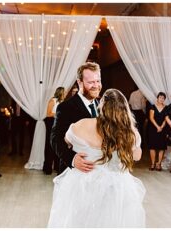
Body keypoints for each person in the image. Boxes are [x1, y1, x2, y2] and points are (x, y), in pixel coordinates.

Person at [47, 89, 145, 228]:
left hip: (83, 183)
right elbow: (137, 156)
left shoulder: (82, 124)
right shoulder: (130, 133)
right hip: (116, 187)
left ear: (101, 105)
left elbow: (66, 141)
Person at [52, 62, 104, 176]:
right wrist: (72, 159)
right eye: (90, 82)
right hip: (74, 173)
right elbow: (56, 140)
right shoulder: (65, 107)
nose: (96, 85)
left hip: (100, 173)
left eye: (98, 81)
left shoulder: (103, 106)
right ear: (79, 82)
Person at [43, 87, 66, 175]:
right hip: (51, 123)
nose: (65, 93)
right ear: (60, 93)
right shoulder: (52, 101)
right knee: (50, 146)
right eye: (64, 92)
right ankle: (47, 168)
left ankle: (57, 167)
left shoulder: (62, 102)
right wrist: (58, 114)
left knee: (58, 145)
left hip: (59, 124)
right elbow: (48, 114)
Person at [147, 92, 169, 171]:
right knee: (152, 146)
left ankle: (159, 164)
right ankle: (153, 164)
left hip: (162, 129)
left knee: (161, 147)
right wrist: (157, 127)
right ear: (157, 98)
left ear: (164, 99)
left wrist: (162, 127)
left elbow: (166, 119)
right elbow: (151, 118)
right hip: (153, 129)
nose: (161, 99)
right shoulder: (152, 107)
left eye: (163, 98)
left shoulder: (166, 108)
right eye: (160, 97)